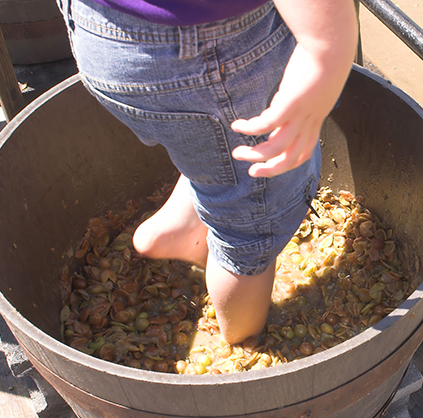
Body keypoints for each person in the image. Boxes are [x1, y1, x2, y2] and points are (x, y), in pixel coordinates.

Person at [57, 0, 358, 345]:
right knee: (255, 214)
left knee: (218, 151)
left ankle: (179, 228)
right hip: (211, 48)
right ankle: (243, 338)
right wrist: (329, 50)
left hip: (102, 31)